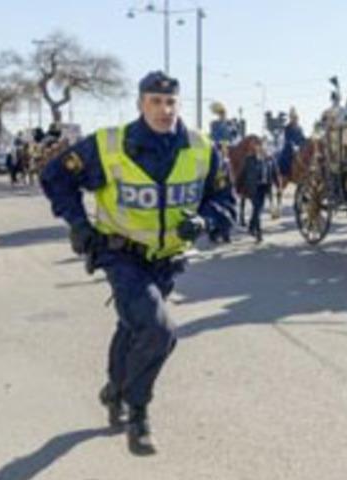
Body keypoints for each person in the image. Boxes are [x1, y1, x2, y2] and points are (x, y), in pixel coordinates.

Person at [40, 71, 236, 456]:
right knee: (160, 331)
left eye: (170, 103)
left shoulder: (201, 148)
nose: (164, 110)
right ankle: (139, 412)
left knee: (133, 329)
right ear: (140, 104)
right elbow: (54, 177)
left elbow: (224, 199)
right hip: (120, 255)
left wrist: (206, 220)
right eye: (155, 102)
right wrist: (79, 224)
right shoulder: (108, 144)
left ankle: (114, 391)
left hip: (166, 260)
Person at [277, 108, 305, 179]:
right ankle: (285, 173)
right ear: (291, 118)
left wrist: (302, 144)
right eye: (293, 118)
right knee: (284, 157)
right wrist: (293, 145)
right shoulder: (287, 127)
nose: (295, 120)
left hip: (299, 147)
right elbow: (287, 138)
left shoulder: (300, 128)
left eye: (296, 118)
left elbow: (302, 138)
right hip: (289, 147)